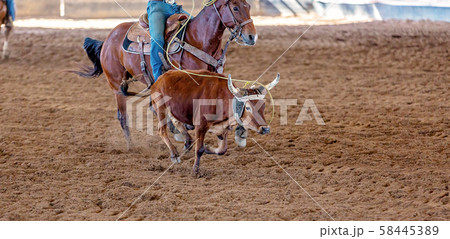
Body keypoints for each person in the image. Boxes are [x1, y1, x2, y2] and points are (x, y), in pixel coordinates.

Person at [147, 0, 190, 81]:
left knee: (199, 24)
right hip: (158, 6)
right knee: (157, 39)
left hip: (174, 7)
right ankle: (158, 78)